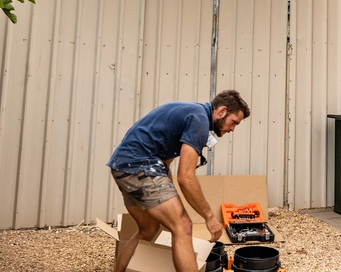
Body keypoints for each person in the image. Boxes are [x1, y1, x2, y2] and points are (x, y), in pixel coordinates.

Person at [107, 89, 250, 272]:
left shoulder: (192, 113)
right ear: (222, 111)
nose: (232, 129)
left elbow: (165, 163)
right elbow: (186, 177)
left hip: (123, 166)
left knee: (148, 230)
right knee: (183, 226)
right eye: (234, 122)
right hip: (140, 166)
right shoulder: (200, 121)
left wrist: (172, 199)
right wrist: (209, 217)